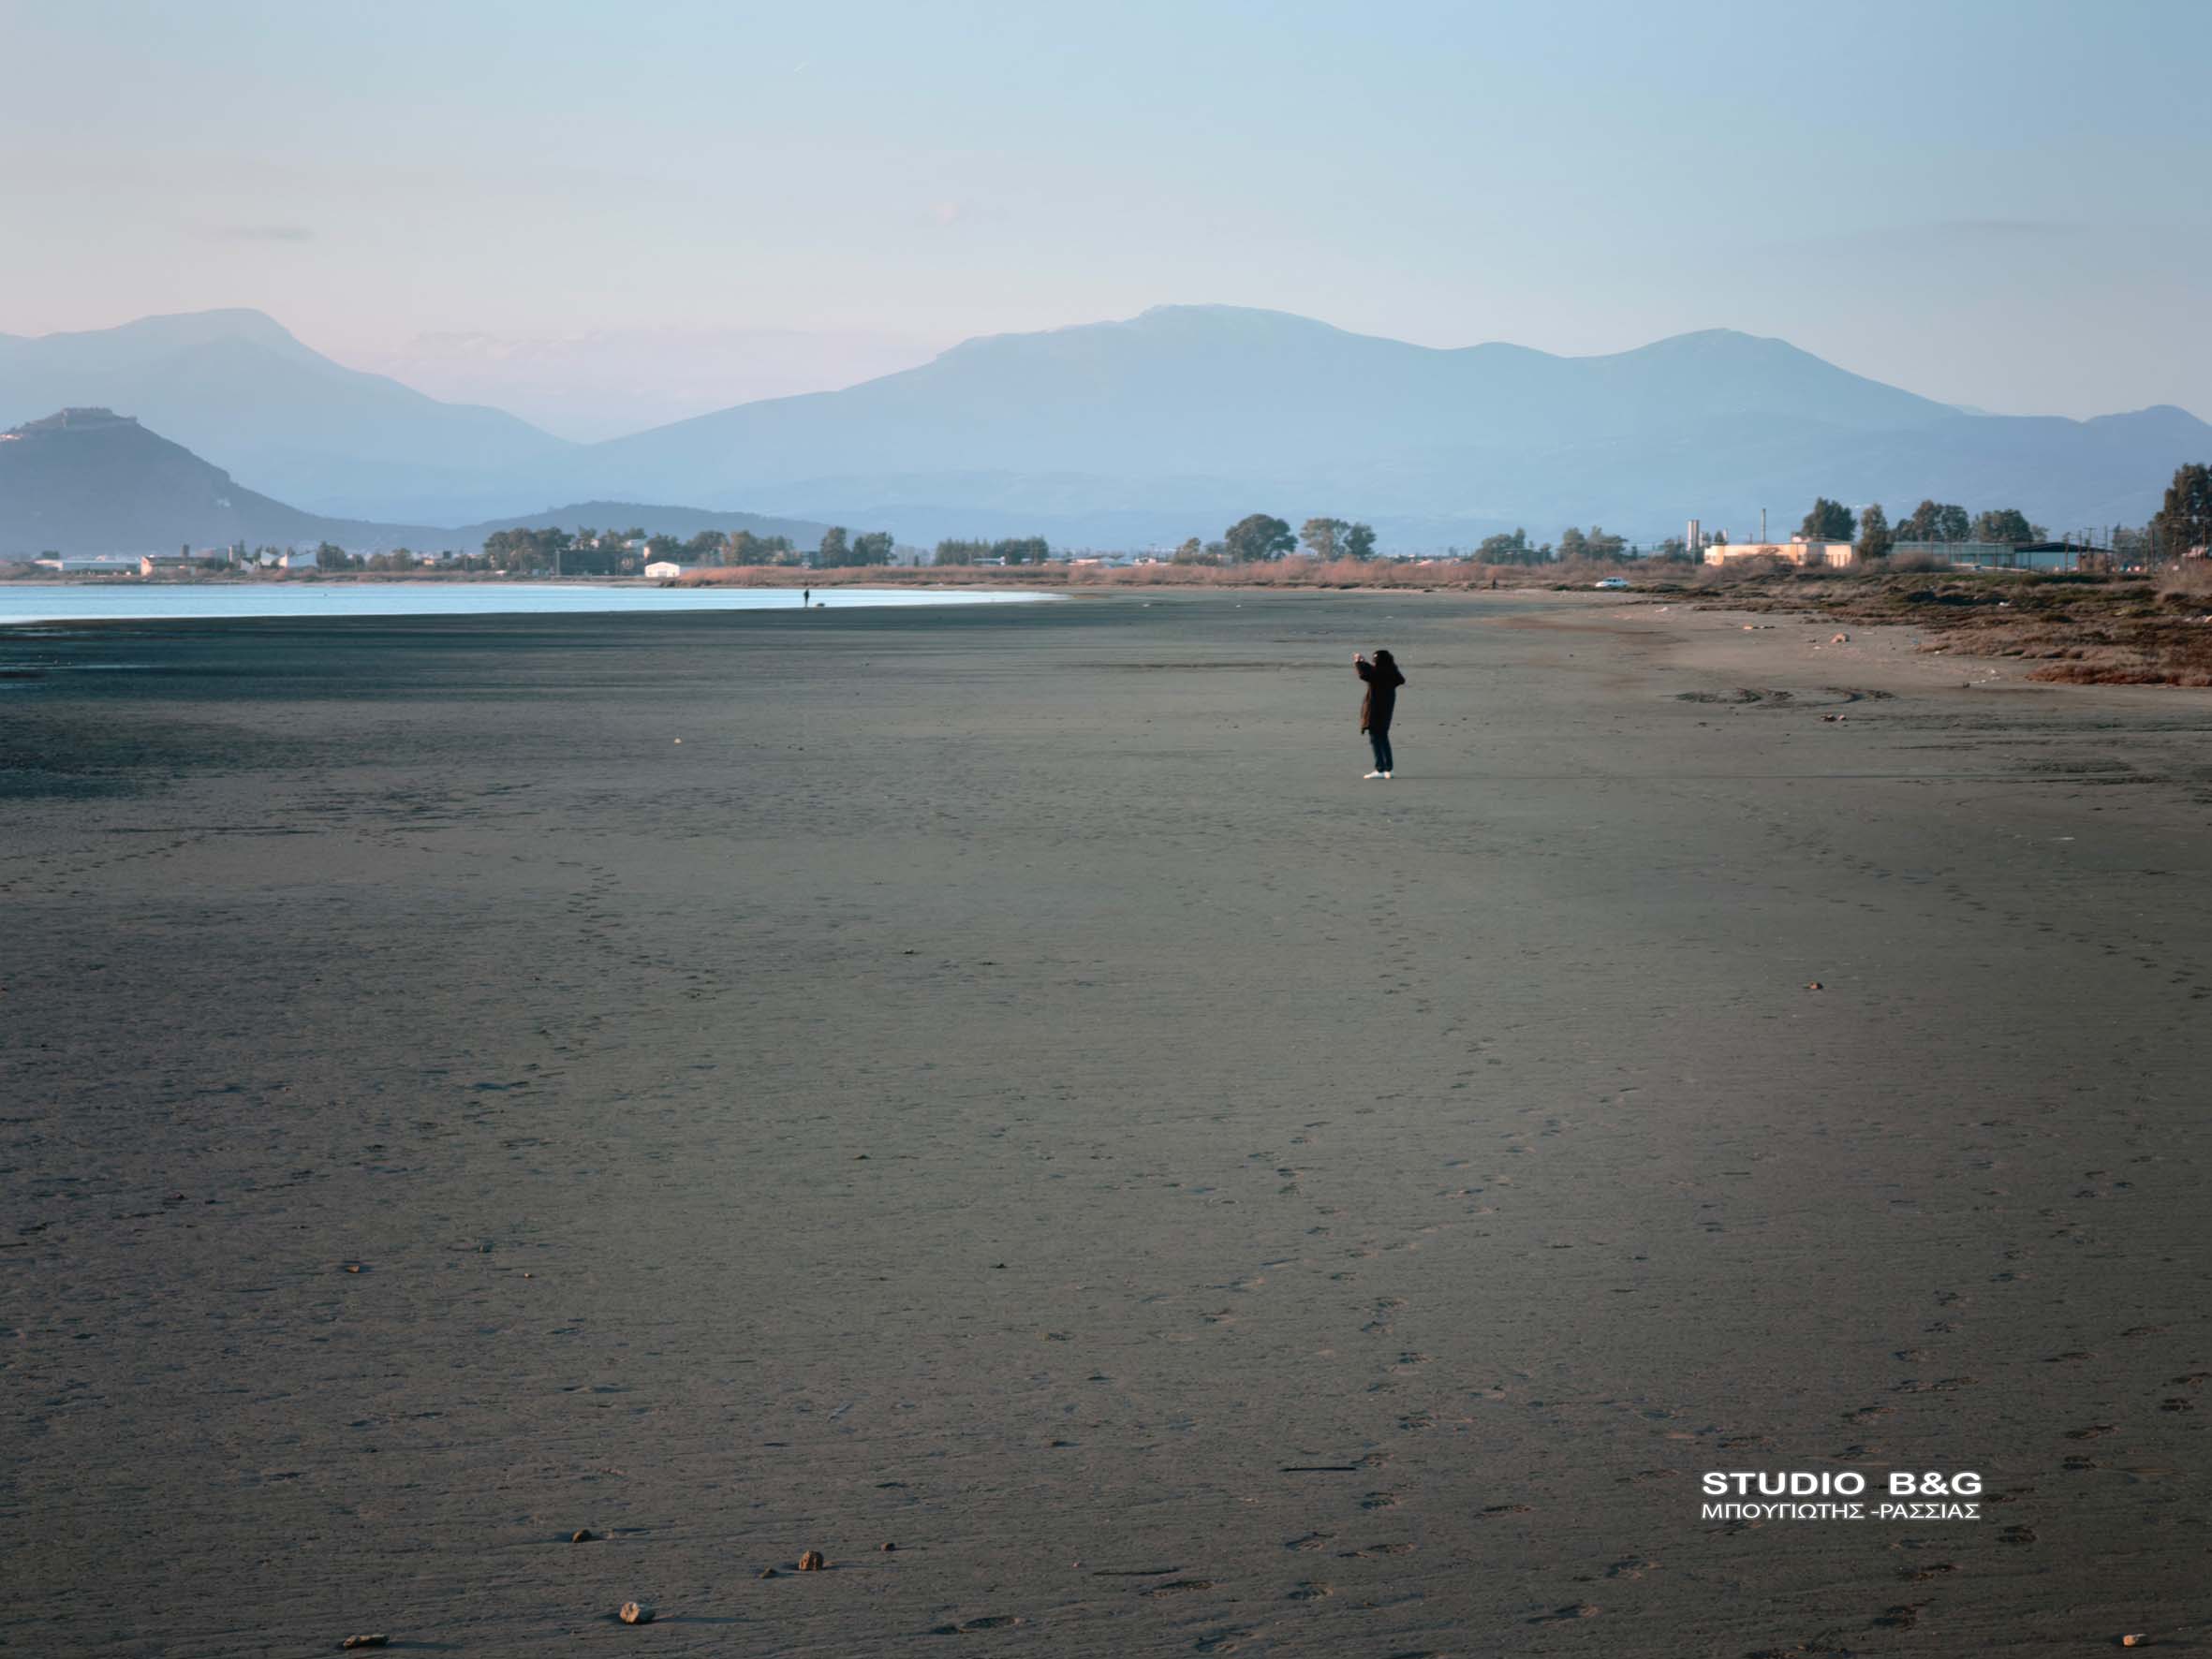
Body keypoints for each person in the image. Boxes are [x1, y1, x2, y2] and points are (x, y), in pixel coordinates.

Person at [1353, 649, 1405, 780]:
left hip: (1375, 709)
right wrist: (1364, 663)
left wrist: (1358, 663)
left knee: (1375, 738)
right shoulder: (1392, 672)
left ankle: (1380, 769)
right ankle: (1389, 769)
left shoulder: (1378, 673)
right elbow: (1377, 673)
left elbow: (1365, 675)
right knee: (1383, 737)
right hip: (1387, 709)